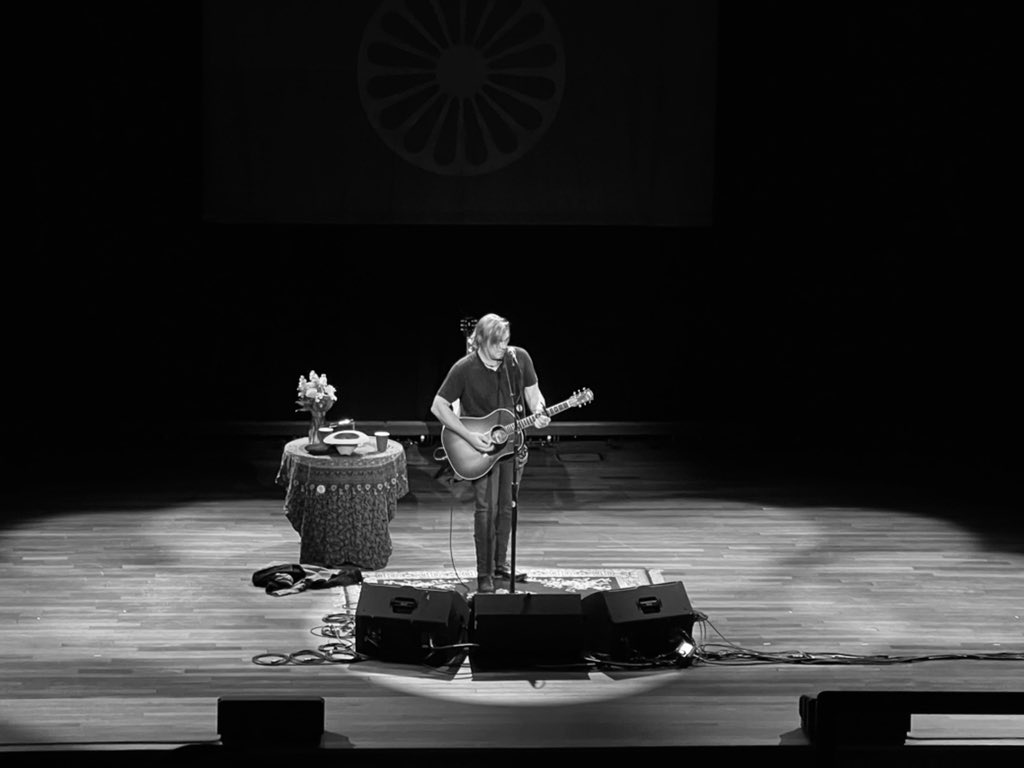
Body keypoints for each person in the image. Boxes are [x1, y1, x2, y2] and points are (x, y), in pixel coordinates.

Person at [431, 313, 551, 594]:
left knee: (507, 507)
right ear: (481, 341)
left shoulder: (518, 359)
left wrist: (539, 411)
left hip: (512, 446)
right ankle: (484, 574)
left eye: (506, 342)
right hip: (479, 449)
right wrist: (468, 435)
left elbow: (534, 395)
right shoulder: (464, 368)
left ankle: (501, 565)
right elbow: (438, 406)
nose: (502, 348)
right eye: (497, 344)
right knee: (485, 511)